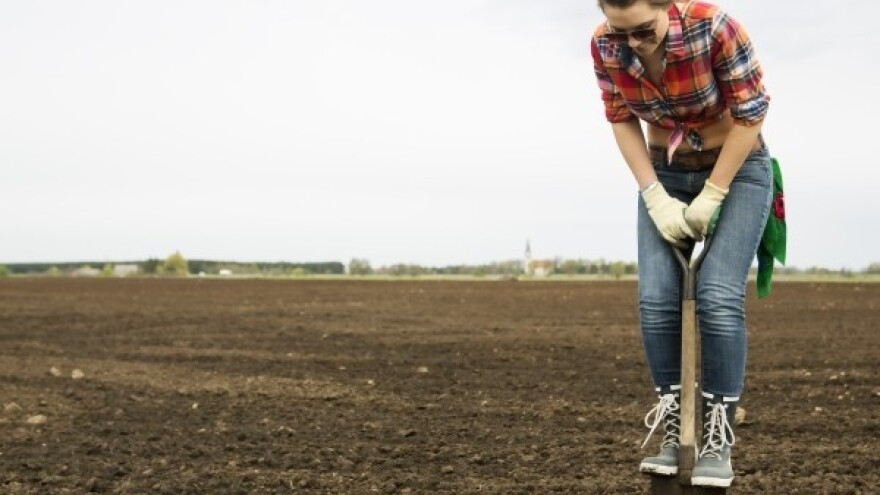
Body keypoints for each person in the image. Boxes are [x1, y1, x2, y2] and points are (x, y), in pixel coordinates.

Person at [589, 0, 773, 488]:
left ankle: (717, 439)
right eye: (620, 31)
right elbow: (620, 117)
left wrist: (713, 192)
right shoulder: (604, 43)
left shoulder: (715, 28)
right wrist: (653, 195)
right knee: (656, 300)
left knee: (715, 295)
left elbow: (751, 113)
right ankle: (674, 430)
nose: (631, 43)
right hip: (665, 172)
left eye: (643, 31)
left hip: (737, 170)